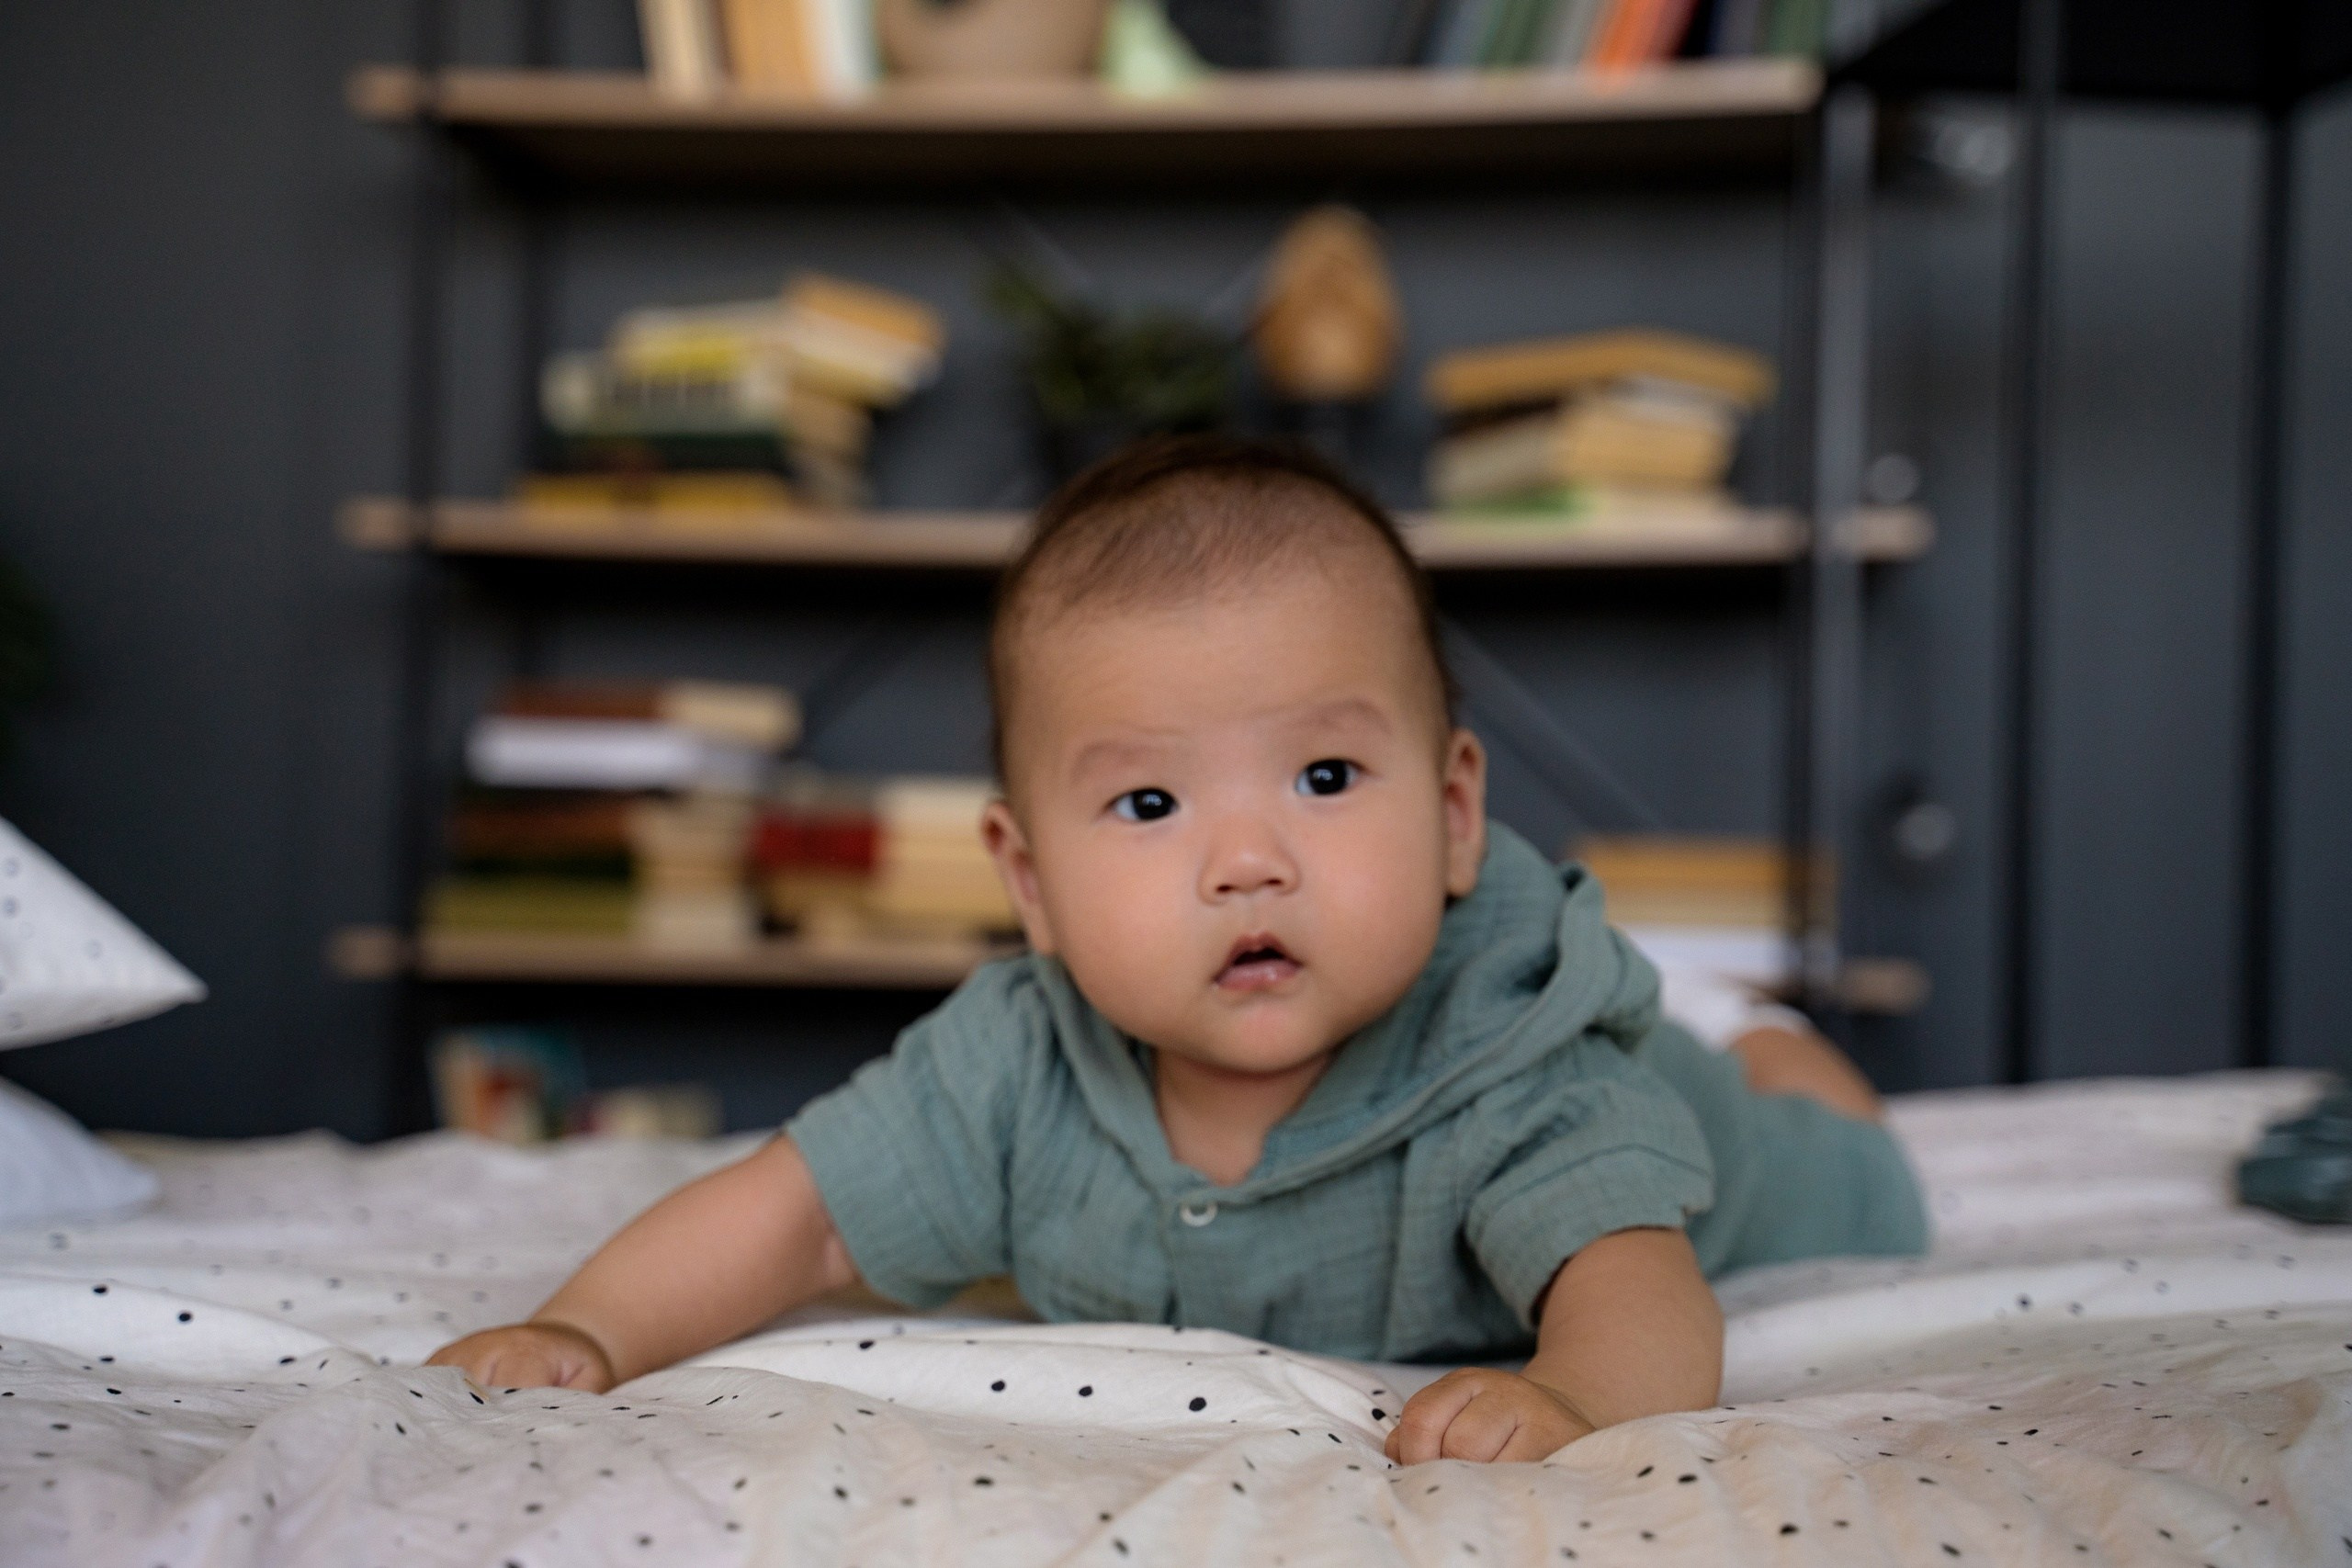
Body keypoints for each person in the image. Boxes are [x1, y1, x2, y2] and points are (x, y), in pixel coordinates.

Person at [427, 436, 1926, 1465]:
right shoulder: (1014, 1062)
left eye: (1327, 779)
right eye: (1148, 802)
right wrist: (590, 1326)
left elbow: (1637, 1281)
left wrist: (1579, 1399)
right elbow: (796, 1214)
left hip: (1748, 1160)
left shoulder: (1512, 1048)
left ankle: (1765, 1038)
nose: (1248, 859)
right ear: (1028, 879)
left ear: (1457, 814)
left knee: (1848, 1158)